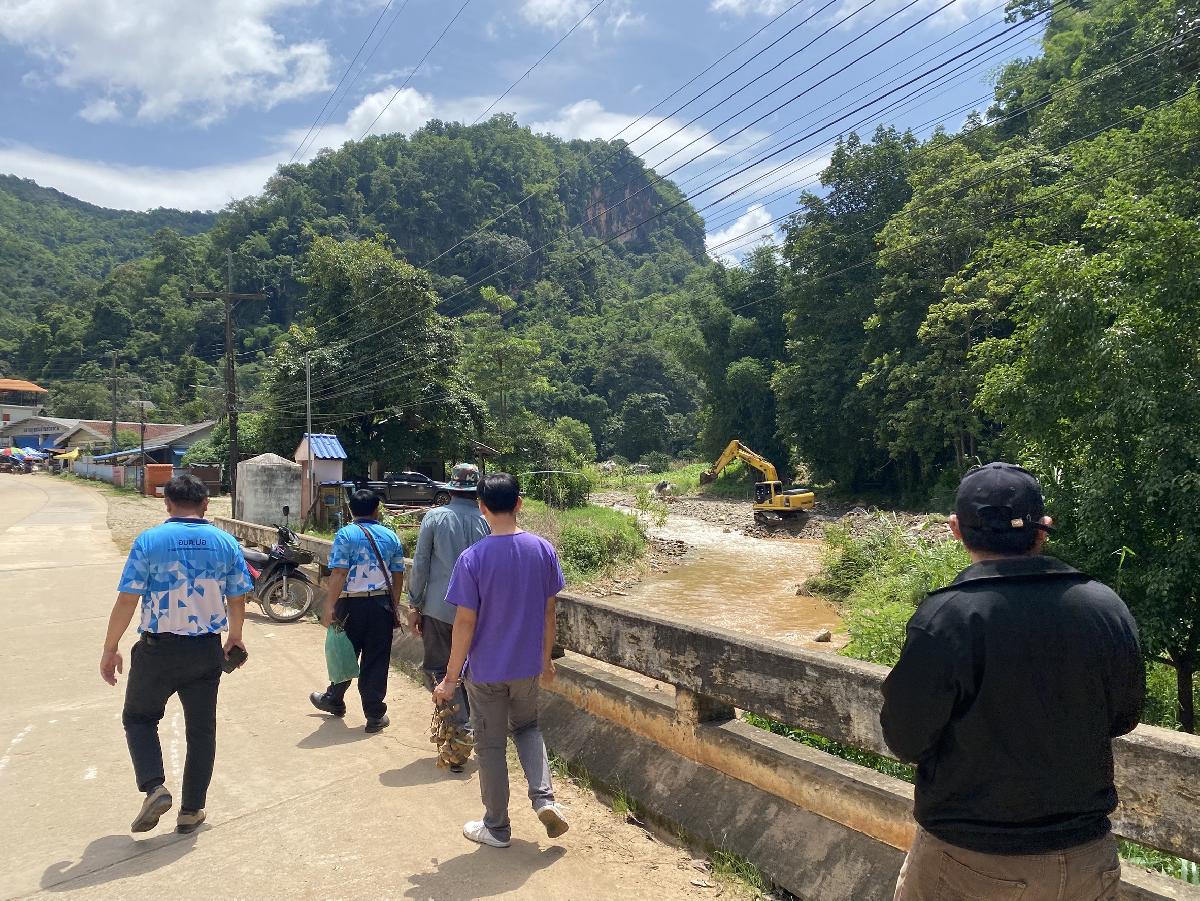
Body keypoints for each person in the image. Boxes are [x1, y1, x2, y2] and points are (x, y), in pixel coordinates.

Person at [881, 462, 1144, 901]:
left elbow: (906, 739)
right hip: (1087, 859)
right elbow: (1124, 716)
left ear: (956, 530)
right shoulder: (1105, 607)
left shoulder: (945, 619)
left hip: (971, 862)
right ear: (1043, 529)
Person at [101, 473, 252, 835]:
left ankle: (155, 787)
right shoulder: (225, 543)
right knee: (201, 731)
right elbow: (237, 597)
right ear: (205, 504)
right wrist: (235, 637)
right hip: (206, 651)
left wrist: (110, 647)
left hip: (158, 650)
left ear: (167, 504)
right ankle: (191, 810)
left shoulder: (149, 541)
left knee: (139, 718)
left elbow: (128, 598)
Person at [433, 472, 569, 847]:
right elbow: (549, 613)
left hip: (486, 671)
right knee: (528, 728)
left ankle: (497, 826)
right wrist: (546, 659)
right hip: (527, 666)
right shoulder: (543, 550)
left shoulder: (472, 558)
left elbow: (464, 623)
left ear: (482, 508)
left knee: (491, 745)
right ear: (519, 503)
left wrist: (450, 679)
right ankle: (544, 799)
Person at [407, 462, 490, 771]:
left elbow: (421, 563)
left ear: (451, 488)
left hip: (440, 610)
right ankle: (470, 736)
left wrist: (414, 604)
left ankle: (460, 734)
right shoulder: (487, 521)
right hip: (479, 613)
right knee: (472, 675)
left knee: (439, 671)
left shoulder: (435, 517)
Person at [309, 489, 406, 733]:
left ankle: (334, 698)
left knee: (343, 653)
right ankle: (374, 715)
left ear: (350, 510)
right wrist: (393, 606)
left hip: (350, 604)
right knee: (376, 660)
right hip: (381, 605)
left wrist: (329, 605)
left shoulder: (346, 534)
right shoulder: (391, 536)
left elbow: (339, 572)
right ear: (376, 510)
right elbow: (398, 575)